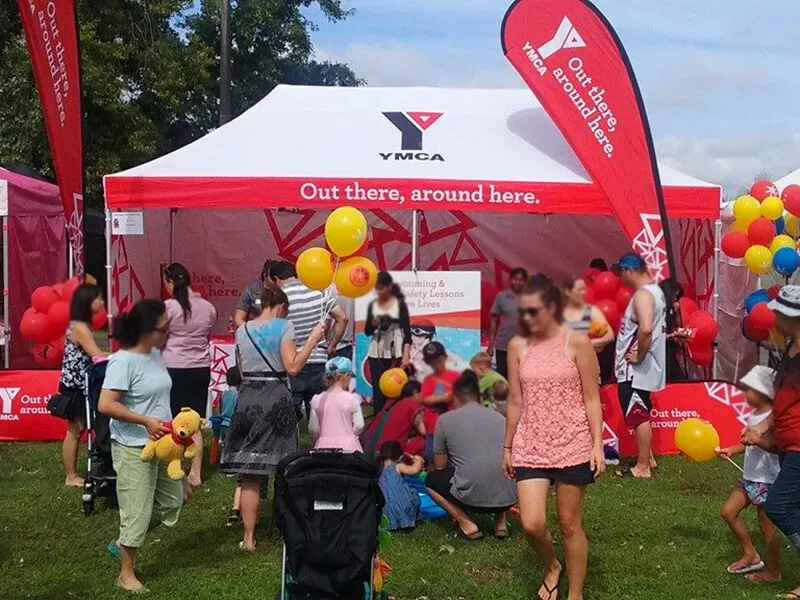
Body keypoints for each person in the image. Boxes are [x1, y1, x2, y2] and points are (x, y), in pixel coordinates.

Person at [502, 275, 605, 600]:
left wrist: (597, 444)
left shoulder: (576, 342)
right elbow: (515, 400)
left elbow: (591, 397)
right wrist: (507, 446)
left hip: (573, 443)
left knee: (569, 523)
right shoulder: (518, 346)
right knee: (531, 523)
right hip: (530, 444)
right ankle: (552, 565)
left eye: (534, 311)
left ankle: (575, 593)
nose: (528, 318)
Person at [220, 285, 326, 551]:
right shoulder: (283, 327)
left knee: (250, 473)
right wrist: (313, 339)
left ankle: (248, 538)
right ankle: (283, 526)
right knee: (284, 465)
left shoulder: (242, 329)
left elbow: (241, 369)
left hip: (248, 398)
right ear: (281, 306)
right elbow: (292, 366)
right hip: (276, 397)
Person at [97, 299, 179, 593]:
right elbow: (105, 404)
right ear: (145, 330)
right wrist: (144, 421)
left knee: (172, 504)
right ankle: (126, 574)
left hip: (164, 445)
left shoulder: (155, 354)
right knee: (137, 512)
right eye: (162, 328)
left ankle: (124, 540)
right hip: (133, 447)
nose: (168, 332)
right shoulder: (123, 361)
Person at [742, 286, 800, 599]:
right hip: (785, 445)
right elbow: (782, 402)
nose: (773, 316)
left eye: (780, 311)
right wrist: (762, 428)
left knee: (778, 505)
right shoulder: (790, 349)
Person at [426, 370, 517, 540]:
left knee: (431, 481)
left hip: (471, 498)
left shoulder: (445, 420)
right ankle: (500, 523)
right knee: (497, 466)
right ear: (479, 397)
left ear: (455, 398)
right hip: (510, 495)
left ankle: (467, 523)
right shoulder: (500, 418)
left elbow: (440, 465)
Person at [717, 365, 781, 582]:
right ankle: (750, 554)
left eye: (750, 389)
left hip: (768, 479)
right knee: (728, 512)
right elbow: (748, 444)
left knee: (766, 526)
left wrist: (757, 440)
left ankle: (774, 572)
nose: (745, 394)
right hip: (750, 476)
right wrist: (732, 449)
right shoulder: (756, 415)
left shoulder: (775, 417)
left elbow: (778, 448)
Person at [161, 262, 217, 487]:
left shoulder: (168, 307)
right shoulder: (208, 307)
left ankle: (173, 466)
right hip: (199, 368)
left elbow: (159, 334)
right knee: (195, 421)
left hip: (172, 367)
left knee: (171, 419)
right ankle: (196, 472)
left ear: (171, 282)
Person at [271, 260, 348, 421]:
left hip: (293, 361)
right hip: (319, 359)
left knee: (289, 414)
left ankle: (291, 444)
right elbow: (343, 318)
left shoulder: (279, 297)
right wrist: (332, 344)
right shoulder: (320, 291)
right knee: (318, 413)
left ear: (277, 280)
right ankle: (321, 444)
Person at [613, 252, 667, 479]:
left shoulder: (643, 295)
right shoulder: (656, 292)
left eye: (621, 273)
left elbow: (645, 329)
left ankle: (642, 466)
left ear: (629, 271)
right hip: (643, 368)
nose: (620, 279)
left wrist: (639, 356)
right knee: (640, 408)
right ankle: (649, 458)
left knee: (638, 413)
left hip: (634, 369)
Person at [59, 283, 108, 487]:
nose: (102, 302)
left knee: (79, 428)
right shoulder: (79, 327)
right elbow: (96, 354)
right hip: (75, 386)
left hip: (83, 383)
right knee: (75, 429)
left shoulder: (83, 325)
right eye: (99, 298)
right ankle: (71, 476)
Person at [364, 271, 412, 413]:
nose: (378, 292)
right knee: (378, 393)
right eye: (376, 289)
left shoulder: (400, 305)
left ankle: (395, 423)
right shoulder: (373, 305)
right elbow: (367, 331)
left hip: (395, 351)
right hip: (376, 352)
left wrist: (405, 354)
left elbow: (407, 333)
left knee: (396, 392)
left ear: (389, 286)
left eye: (381, 288)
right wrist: (373, 324)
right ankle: (377, 427)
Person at [308, 356, 364, 453]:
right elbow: (359, 425)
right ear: (346, 376)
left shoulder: (317, 399)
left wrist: (317, 438)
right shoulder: (352, 399)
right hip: (349, 447)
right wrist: (351, 433)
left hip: (323, 447)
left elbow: (313, 428)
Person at [487, 267, 528, 379]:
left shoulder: (530, 297)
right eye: (515, 279)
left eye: (521, 280)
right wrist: (491, 344)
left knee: (521, 377)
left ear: (525, 282)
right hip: (503, 344)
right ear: (510, 280)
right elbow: (494, 320)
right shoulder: (501, 296)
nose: (518, 282)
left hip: (524, 344)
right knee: (503, 377)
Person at [378, 441, 423, 531]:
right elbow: (414, 470)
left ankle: (390, 523)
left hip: (385, 510)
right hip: (401, 507)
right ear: (400, 456)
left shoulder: (380, 470)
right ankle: (408, 520)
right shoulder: (397, 466)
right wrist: (419, 461)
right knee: (413, 493)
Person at [375, 380, 427, 458]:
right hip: (394, 451)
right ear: (416, 393)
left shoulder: (396, 404)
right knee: (422, 441)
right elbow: (423, 431)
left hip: (380, 448)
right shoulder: (412, 406)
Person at [563, 276, 615, 352]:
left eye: (584, 289)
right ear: (567, 292)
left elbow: (609, 336)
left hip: (586, 360)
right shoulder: (559, 312)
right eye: (579, 289)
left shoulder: (591, 311)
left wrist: (588, 344)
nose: (583, 292)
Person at [420, 341, 460, 436]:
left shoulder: (455, 376)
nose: (435, 364)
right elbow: (425, 399)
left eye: (438, 360)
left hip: (452, 427)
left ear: (445, 358)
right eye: (431, 362)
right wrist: (443, 398)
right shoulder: (428, 379)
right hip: (432, 428)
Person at [221, 367, 244, 525]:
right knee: (236, 446)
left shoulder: (224, 394)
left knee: (226, 445)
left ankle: (225, 463)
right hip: (233, 423)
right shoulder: (239, 396)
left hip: (223, 422)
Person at [234, 259, 278, 328]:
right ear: (265, 275)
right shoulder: (251, 291)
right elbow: (238, 319)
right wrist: (252, 331)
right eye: (272, 278)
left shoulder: (284, 290)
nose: (276, 281)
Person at [661, 278, 688, 382]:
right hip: (660, 350)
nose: (675, 299)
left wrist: (676, 312)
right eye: (674, 296)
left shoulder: (671, 309)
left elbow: (679, 325)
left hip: (669, 348)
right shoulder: (659, 310)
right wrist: (672, 335)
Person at [328, 296, 355, 361]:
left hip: (327, 347)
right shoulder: (352, 290)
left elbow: (326, 323)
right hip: (346, 344)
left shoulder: (325, 290)